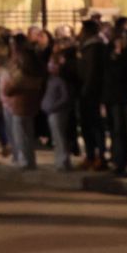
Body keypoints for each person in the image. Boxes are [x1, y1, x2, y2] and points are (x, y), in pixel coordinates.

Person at [102, 26, 127, 173]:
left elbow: (121, 74)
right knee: (119, 131)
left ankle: (126, 161)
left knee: (126, 130)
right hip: (117, 98)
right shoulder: (117, 54)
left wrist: (117, 57)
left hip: (126, 97)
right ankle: (120, 160)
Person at [1, 38, 45, 169]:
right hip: (31, 103)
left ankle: (24, 161)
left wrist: (8, 82)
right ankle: (30, 160)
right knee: (28, 134)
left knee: (20, 134)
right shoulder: (36, 68)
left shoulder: (23, 69)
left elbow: (11, 87)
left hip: (19, 104)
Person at [76, 19, 109, 169]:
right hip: (86, 91)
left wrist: (86, 91)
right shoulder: (88, 47)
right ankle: (90, 155)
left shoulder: (95, 48)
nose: (80, 33)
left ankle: (100, 157)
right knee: (87, 126)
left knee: (95, 125)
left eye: (82, 30)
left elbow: (92, 73)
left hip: (91, 93)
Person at [42, 42, 76, 170]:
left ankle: (63, 161)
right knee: (57, 137)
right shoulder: (51, 79)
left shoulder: (60, 80)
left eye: (52, 64)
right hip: (52, 111)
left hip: (58, 111)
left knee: (60, 137)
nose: (49, 66)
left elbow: (65, 97)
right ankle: (60, 161)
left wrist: (53, 106)